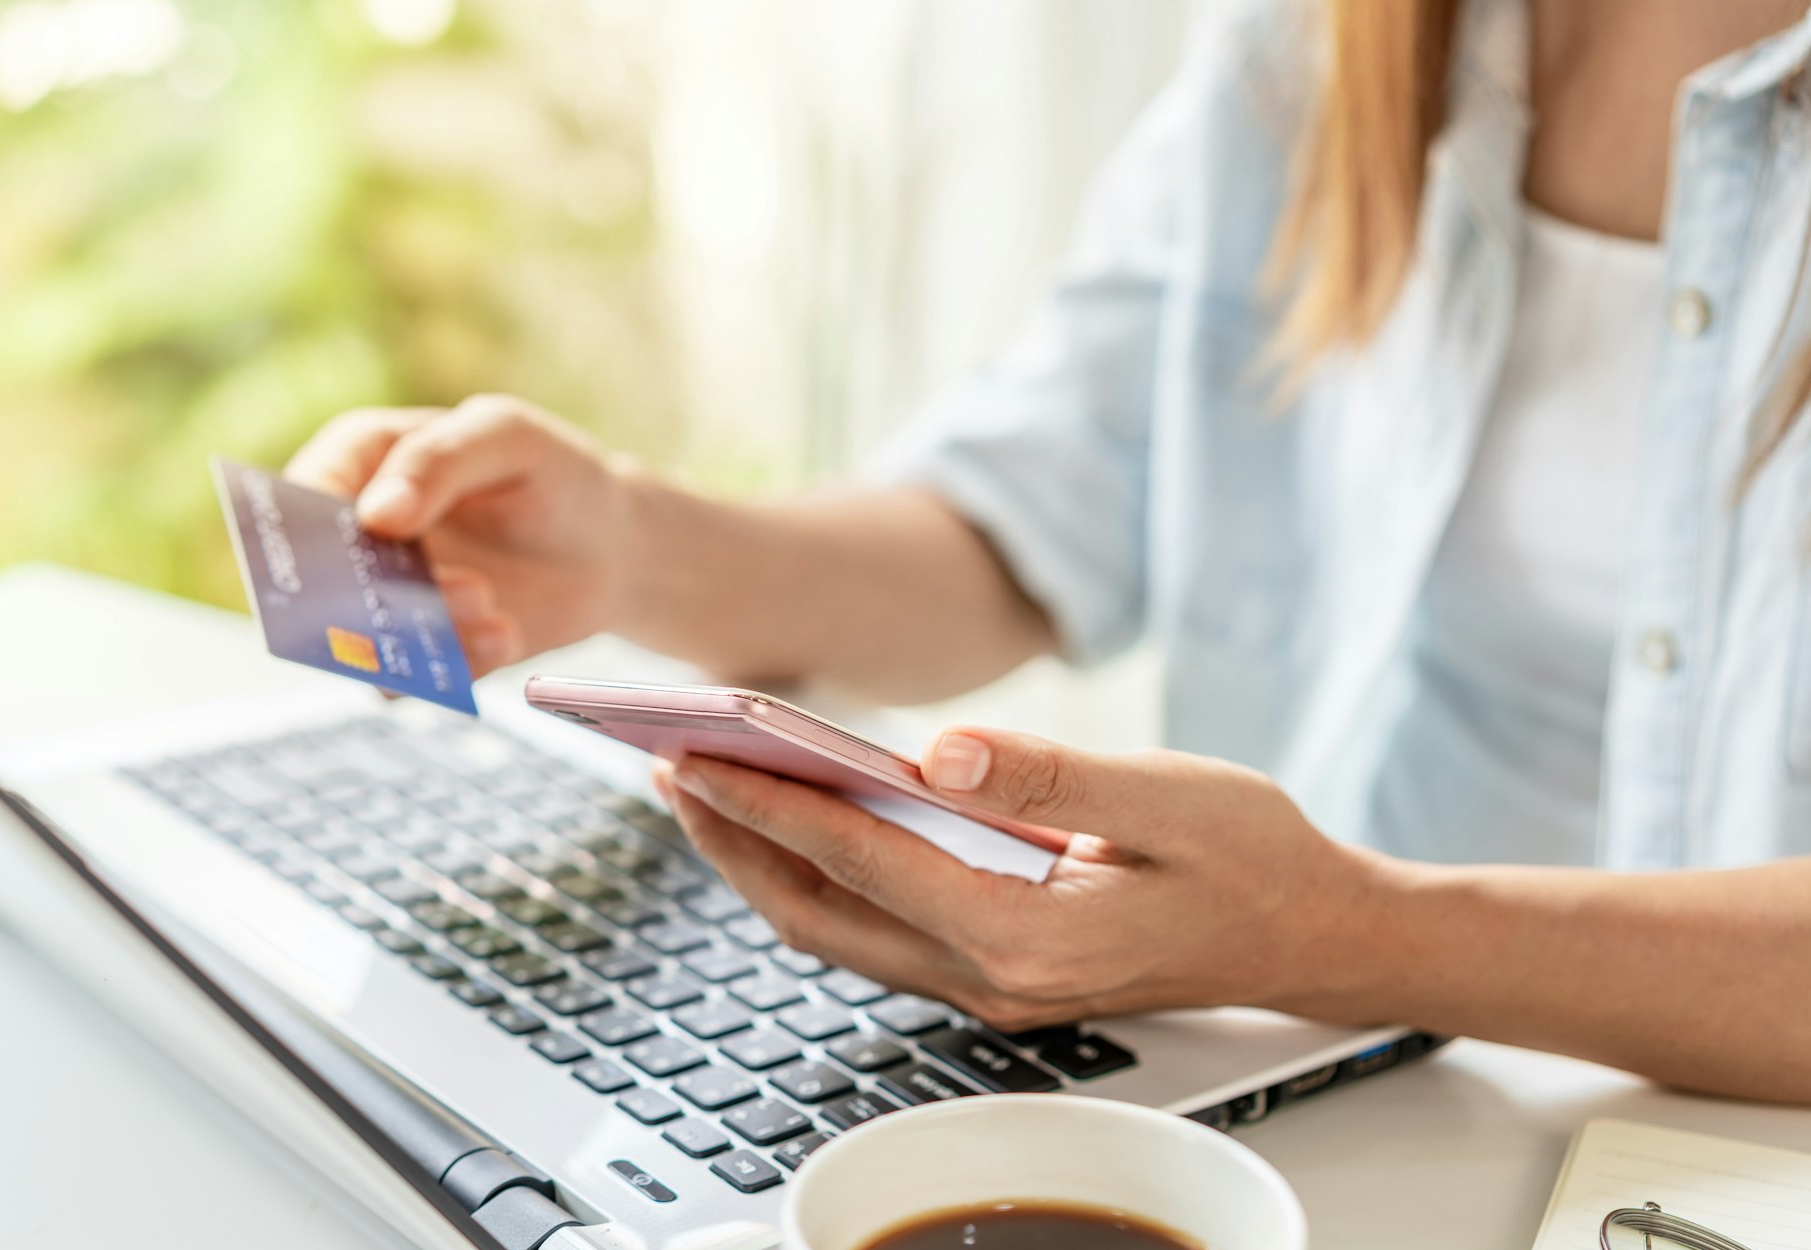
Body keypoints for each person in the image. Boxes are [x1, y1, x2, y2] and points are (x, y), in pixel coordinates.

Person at [288, 0, 1811, 1105]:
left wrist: (1343, 937)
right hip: (1322, 1108)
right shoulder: (1336, 45)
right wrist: (628, 546)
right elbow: (1023, 523)